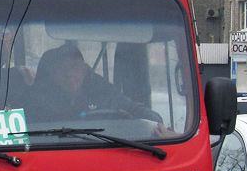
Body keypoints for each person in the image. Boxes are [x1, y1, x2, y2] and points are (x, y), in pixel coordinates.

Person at [27, 43, 161, 123]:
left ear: (85, 69)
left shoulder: (104, 92)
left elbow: (135, 110)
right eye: (62, 69)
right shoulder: (37, 98)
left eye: (74, 67)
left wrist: (154, 121)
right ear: (53, 74)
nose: (69, 74)